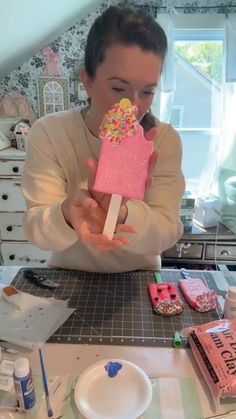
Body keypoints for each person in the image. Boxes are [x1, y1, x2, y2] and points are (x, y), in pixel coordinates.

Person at [21, 5, 185, 272]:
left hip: (138, 282)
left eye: (147, 91)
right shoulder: (50, 133)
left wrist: (122, 214)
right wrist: (66, 213)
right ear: (88, 81)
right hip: (68, 276)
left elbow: (167, 230)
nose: (133, 106)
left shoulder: (163, 140)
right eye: (119, 88)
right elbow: (37, 229)